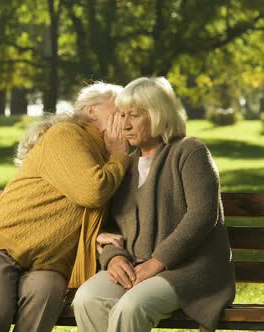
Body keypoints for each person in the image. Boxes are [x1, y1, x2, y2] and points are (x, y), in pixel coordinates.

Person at [0, 82, 130, 332]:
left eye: (130, 112)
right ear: (93, 111)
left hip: (48, 264)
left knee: (45, 301)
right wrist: (120, 154)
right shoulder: (67, 135)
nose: (125, 115)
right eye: (119, 107)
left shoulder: (109, 160)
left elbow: (84, 210)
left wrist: (95, 234)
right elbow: (91, 191)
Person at [72, 77, 235, 332]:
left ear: (158, 114)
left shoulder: (189, 151)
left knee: (131, 308)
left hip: (187, 270)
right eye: (121, 115)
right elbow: (111, 224)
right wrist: (113, 258)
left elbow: (202, 214)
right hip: (136, 266)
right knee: (87, 299)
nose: (125, 125)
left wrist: (158, 261)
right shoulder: (126, 164)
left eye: (133, 116)